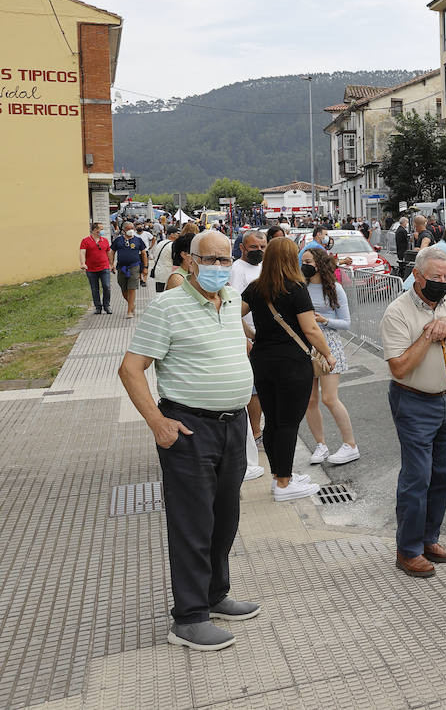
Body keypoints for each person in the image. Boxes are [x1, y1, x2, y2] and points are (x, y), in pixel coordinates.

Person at [117, 229, 261, 651]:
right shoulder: (168, 307)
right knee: (192, 524)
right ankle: (189, 617)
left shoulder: (232, 299)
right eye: (210, 259)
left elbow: (234, 345)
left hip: (233, 426)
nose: (219, 266)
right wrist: (158, 423)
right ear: (190, 261)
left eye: (224, 258)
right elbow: (131, 369)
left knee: (225, 518)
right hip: (189, 429)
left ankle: (215, 595)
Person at [380, 246, 446, 578]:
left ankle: (429, 539)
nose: (442, 282)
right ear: (417, 275)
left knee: (442, 475)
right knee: (417, 477)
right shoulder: (397, 312)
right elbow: (399, 367)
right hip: (414, 402)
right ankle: (407, 549)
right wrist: (429, 335)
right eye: (435, 277)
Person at [240, 237, 335, 502]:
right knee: (289, 423)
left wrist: (252, 334)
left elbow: (233, 313)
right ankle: (284, 484)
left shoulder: (255, 287)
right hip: (292, 363)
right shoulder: (295, 288)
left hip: (262, 360)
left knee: (273, 420)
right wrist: (328, 354)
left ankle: (281, 476)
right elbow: (310, 329)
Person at [301, 249, 360, 466]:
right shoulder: (301, 286)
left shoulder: (335, 289)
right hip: (305, 343)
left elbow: (346, 323)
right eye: (303, 261)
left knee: (329, 397)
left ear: (319, 263)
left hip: (328, 344)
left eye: (308, 261)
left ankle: (350, 444)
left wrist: (324, 320)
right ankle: (320, 445)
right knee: (310, 400)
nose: (304, 264)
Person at [228, 230, 268, 479]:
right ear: (243, 247)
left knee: (263, 386)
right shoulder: (236, 270)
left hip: (266, 337)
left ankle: (259, 429)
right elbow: (234, 309)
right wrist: (246, 336)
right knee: (252, 389)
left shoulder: (266, 268)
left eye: (263, 247)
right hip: (249, 338)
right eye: (254, 247)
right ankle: (254, 432)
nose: (259, 251)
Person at [110, 220, 149, 319]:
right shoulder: (118, 240)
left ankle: (129, 311)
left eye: (132, 228)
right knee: (123, 288)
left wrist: (145, 267)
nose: (131, 230)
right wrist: (111, 264)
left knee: (131, 288)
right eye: (128, 229)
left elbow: (144, 254)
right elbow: (112, 252)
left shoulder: (138, 240)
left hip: (134, 266)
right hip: (121, 267)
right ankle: (132, 304)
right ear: (123, 230)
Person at [80, 221, 113, 314]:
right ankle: (98, 307)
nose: (102, 231)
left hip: (104, 267)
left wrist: (111, 264)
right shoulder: (85, 241)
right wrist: (83, 263)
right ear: (95, 230)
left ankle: (107, 305)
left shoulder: (105, 241)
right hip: (91, 269)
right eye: (101, 229)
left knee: (106, 286)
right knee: (95, 288)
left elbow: (108, 253)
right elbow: (82, 252)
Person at [148, 227, 179, 293]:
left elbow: (155, 256)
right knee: (168, 294)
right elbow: (175, 260)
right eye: (177, 233)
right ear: (171, 235)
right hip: (168, 273)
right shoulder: (172, 245)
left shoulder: (160, 243)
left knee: (159, 293)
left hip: (158, 272)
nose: (178, 235)